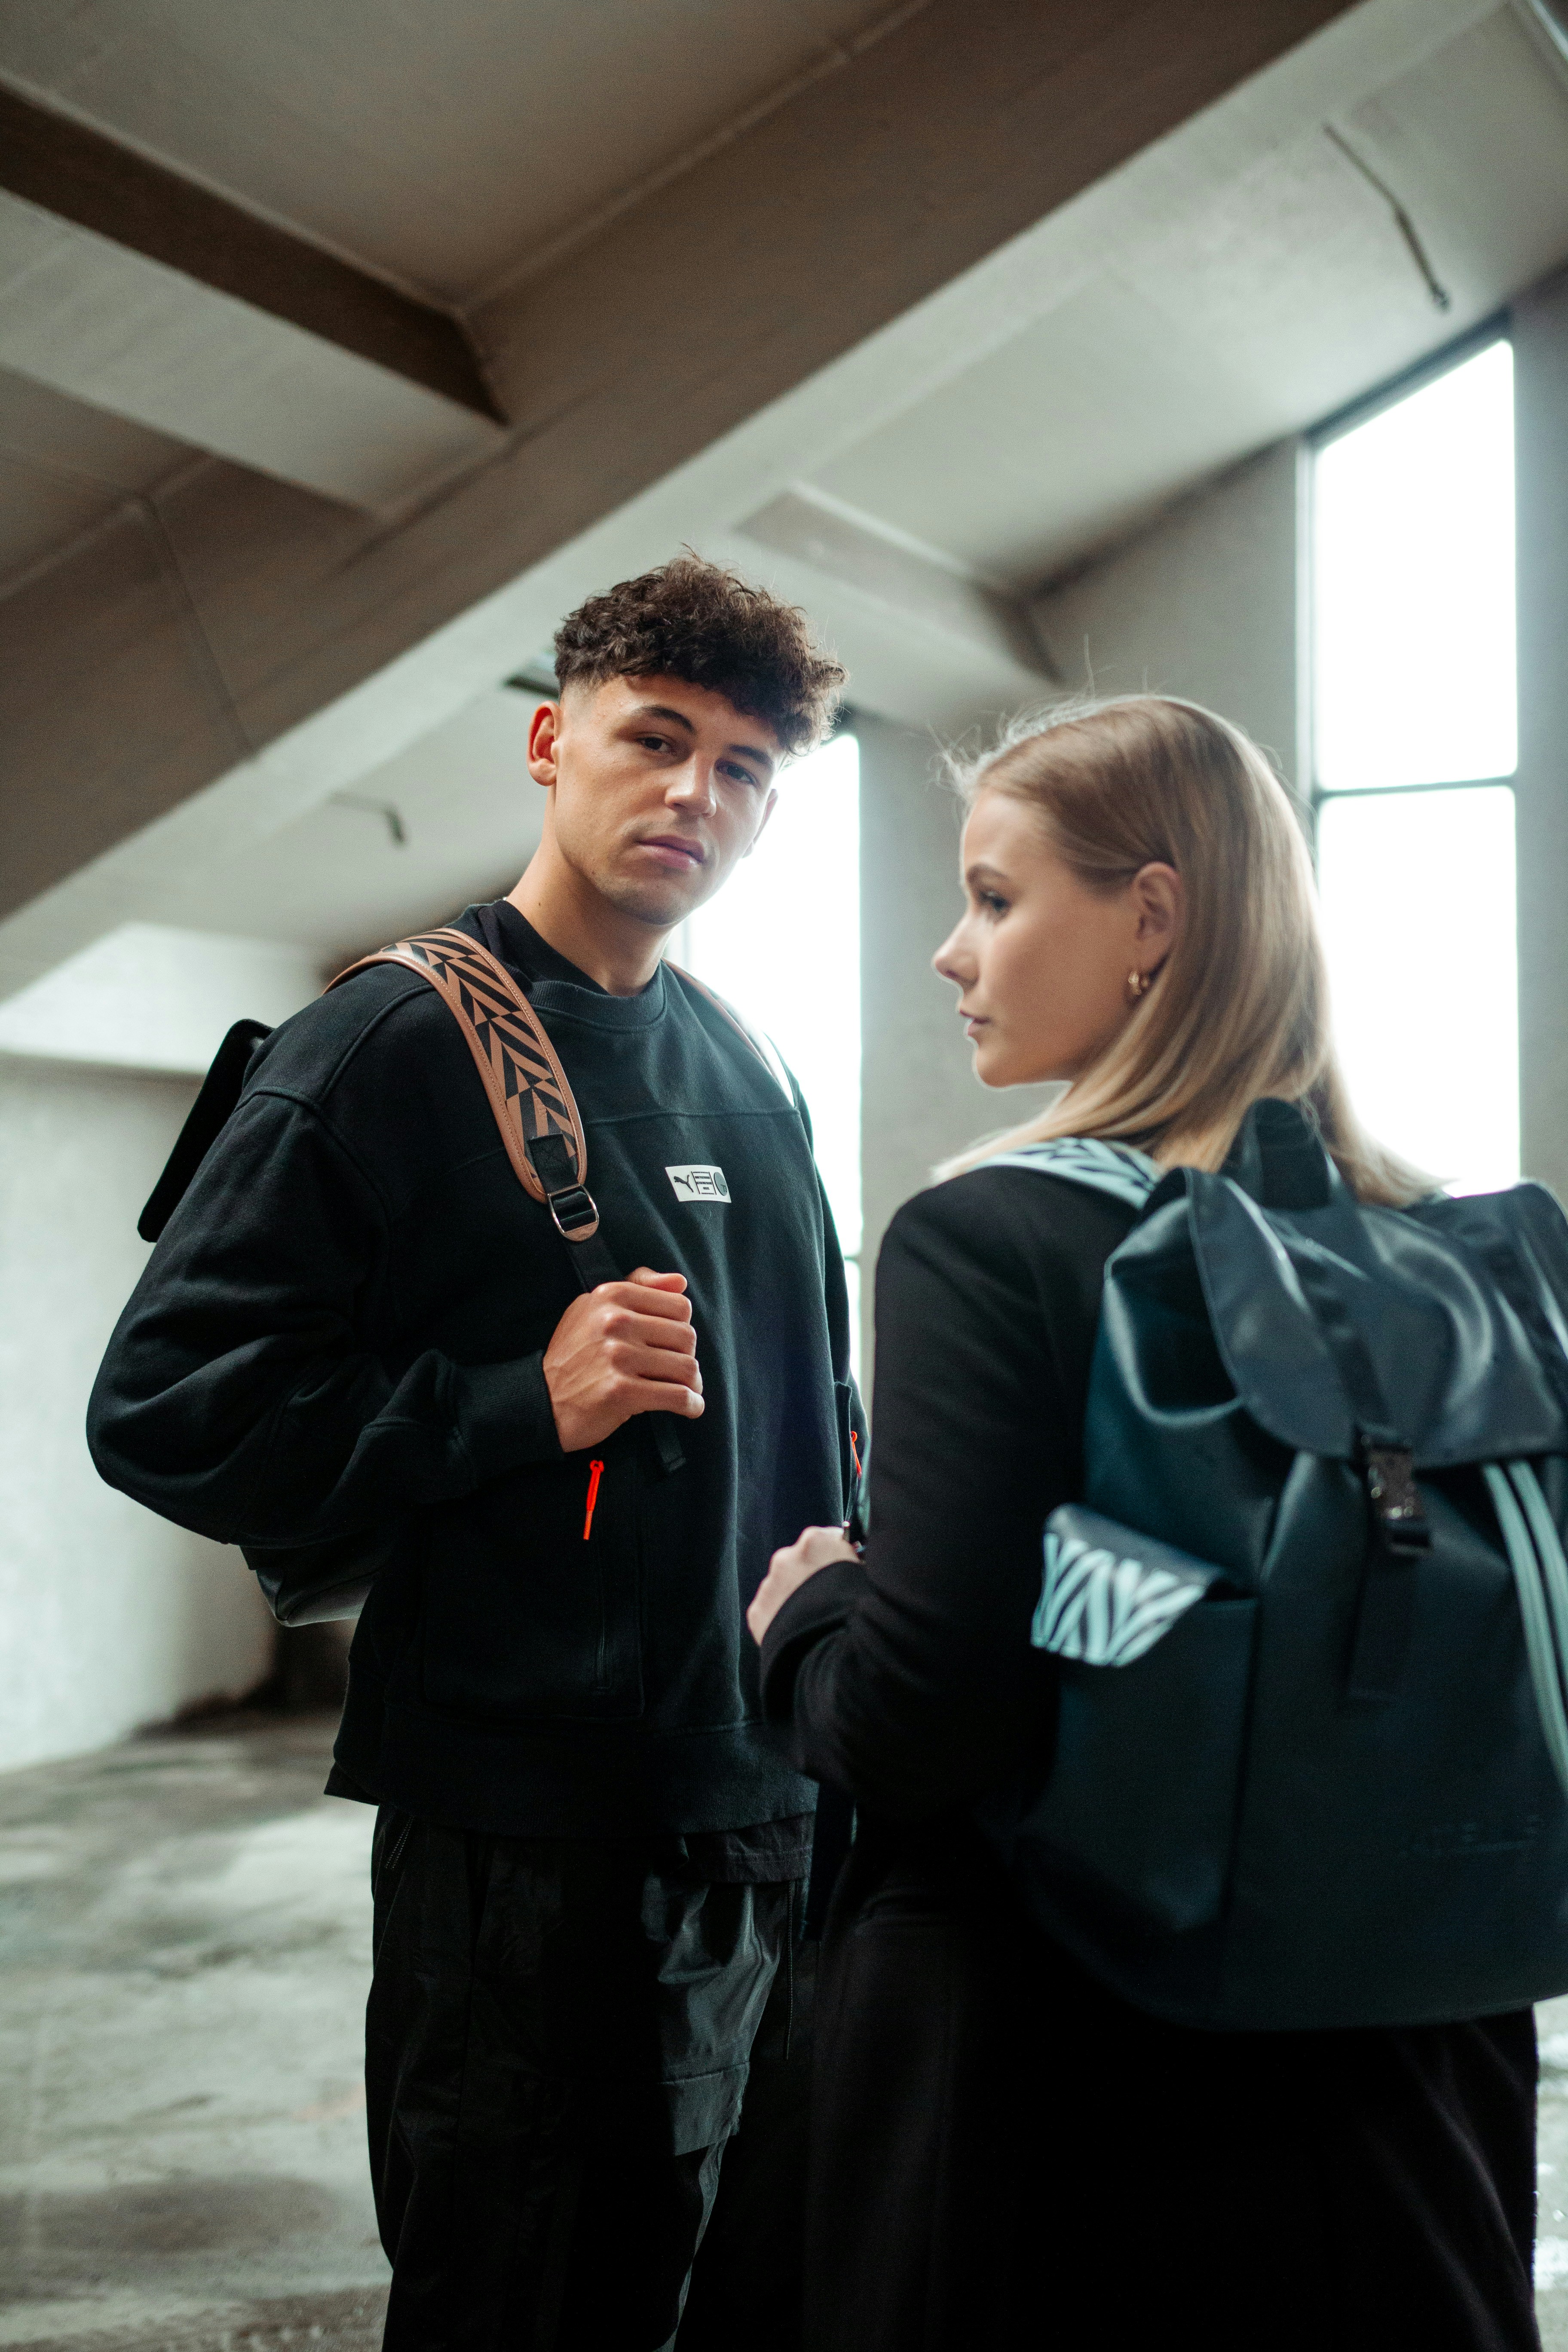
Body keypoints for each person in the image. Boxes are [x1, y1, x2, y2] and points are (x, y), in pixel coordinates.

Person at [88, 556, 862, 2351]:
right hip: (532, 1850)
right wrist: (520, 1399)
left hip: (768, 1814)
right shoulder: (393, 1040)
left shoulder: (747, 1061)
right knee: (525, 2304)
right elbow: (167, 1404)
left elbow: (814, 1425)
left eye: (744, 768)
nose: (695, 793)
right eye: (655, 740)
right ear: (548, 742)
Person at [748, 696, 1541, 2352]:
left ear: (1153, 920)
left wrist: (811, 1615)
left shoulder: (993, 1238)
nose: (953, 955)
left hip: (1074, 2076)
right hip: (1417, 2054)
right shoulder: (1454, 1257)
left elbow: (923, 1719)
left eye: (995, 895)